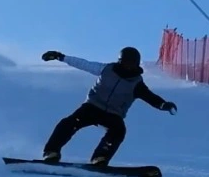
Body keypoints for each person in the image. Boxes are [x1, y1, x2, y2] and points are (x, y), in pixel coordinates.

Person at [38, 46, 176, 165]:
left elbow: (150, 97)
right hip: (92, 107)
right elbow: (83, 64)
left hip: (112, 114)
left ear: (137, 64)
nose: (128, 66)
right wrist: (60, 57)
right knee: (68, 123)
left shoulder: (137, 84)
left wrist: (164, 105)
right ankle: (51, 152)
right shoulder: (106, 69)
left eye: (131, 64)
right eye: (125, 63)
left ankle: (100, 158)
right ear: (119, 61)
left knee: (118, 131)